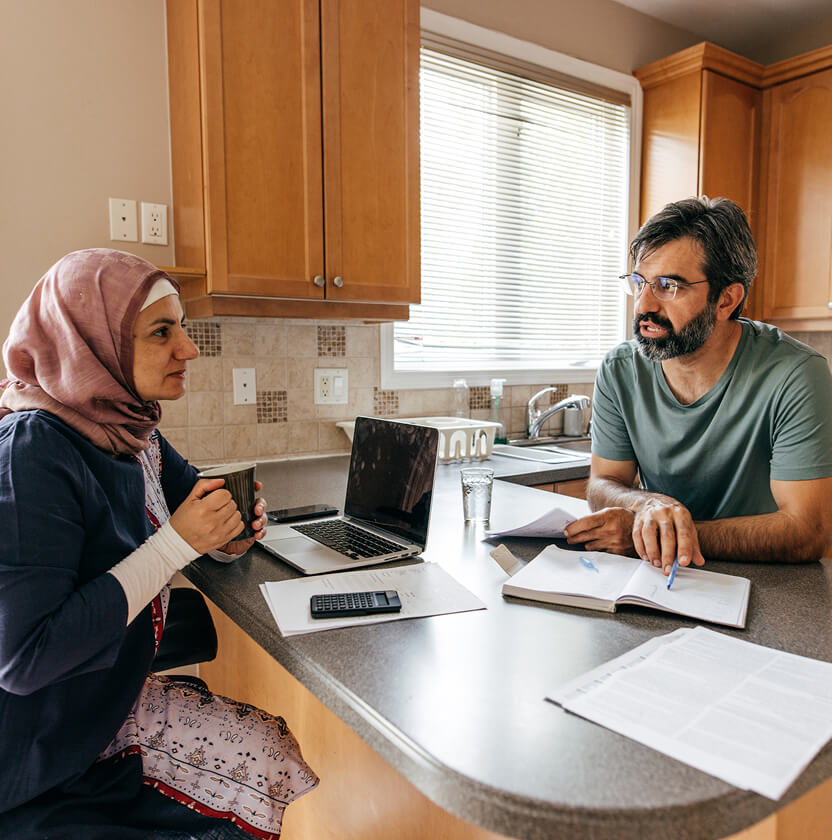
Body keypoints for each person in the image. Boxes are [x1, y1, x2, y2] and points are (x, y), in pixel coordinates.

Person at [0, 249, 318, 839]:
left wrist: (233, 529)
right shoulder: (31, 452)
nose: (188, 349)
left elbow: (191, 502)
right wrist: (177, 544)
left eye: (185, 329)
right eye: (161, 332)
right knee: (252, 771)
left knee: (267, 749)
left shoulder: (130, 428)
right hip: (37, 752)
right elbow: (23, 659)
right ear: (93, 342)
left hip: (98, 706)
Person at [563, 197, 832, 573]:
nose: (643, 305)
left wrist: (661, 535)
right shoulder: (620, 369)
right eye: (639, 282)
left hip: (767, 586)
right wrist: (647, 506)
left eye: (668, 286)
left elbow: (808, 531)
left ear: (727, 299)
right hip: (656, 578)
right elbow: (603, 483)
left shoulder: (796, 374)